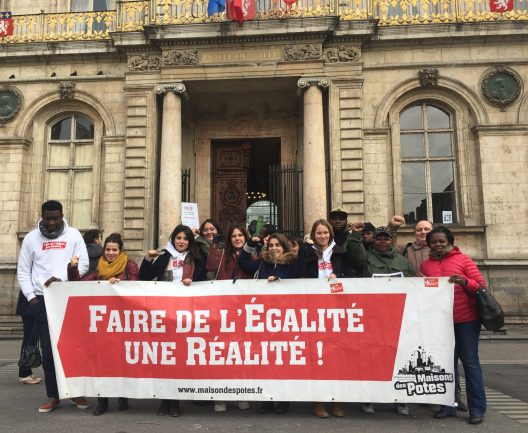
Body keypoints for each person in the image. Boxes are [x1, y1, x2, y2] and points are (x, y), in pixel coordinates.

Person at [17, 200, 90, 413]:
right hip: (41, 300)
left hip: (67, 298)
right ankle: (54, 395)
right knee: (48, 352)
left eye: (55, 218)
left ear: (62, 215)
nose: (51, 222)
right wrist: (31, 298)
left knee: (72, 349)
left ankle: (75, 393)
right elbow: (23, 271)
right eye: (47, 218)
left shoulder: (74, 235)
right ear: (42, 215)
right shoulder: (31, 238)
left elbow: (83, 264)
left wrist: (61, 278)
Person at [294, 219, 363, 418]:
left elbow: (355, 271)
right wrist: (305, 254)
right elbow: (299, 274)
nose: (322, 236)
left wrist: (339, 278)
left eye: (325, 233)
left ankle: (337, 401)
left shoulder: (341, 252)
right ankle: (318, 402)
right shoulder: (308, 253)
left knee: (338, 357)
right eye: (318, 233)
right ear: (313, 235)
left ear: (330, 234)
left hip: (337, 310)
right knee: (318, 357)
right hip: (314, 311)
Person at [420, 226, 487, 425]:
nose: (438, 245)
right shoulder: (425, 266)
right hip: (441, 322)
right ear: (429, 244)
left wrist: (465, 282)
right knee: (445, 365)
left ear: (450, 242)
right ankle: (448, 406)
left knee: (470, 364)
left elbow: (481, 285)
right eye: (434, 242)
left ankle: (477, 408)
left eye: (442, 241)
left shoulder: (463, 260)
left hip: (466, 320)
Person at [68, 232, 139, 416]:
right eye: (108, 249)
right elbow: (79, 283)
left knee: (123, 360)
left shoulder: (129, 265)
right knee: (103, 362)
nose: (111, 253)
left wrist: (118, 284)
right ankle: (103, 401)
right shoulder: (99, 268)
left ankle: (123, 397)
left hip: (124, 321)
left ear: (120, 250)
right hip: (103, 323)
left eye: (114, 249)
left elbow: (135, 284)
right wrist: (72, 267)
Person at [139, 224, 207, 417]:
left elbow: (203, 279)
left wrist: (192, 281)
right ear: (173, 239)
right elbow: (145, 276)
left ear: (190, 241)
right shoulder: (164, 257)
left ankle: (175, 401)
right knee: (164, 358)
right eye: (178, 238)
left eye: (185, 238)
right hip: (164, 313)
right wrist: (148, 259)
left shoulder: (197, 258)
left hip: (187, 315)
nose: (182, 242)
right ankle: (165, 400)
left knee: (179, 359)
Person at [349, 225, 411, 415]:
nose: (382, 241)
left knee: (398, 359)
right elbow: (353, 255)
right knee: (371, 360)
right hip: (371, 318)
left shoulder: (403, 261)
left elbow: (414, 284)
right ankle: (369, 398)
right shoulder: (365, 258)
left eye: (386, 238)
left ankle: (400, 400)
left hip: (396, 318)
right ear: (373, 241)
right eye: (379, 238)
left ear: (391, 240)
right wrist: (355, 235)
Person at [239, 232, 296, 414]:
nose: (274, 248)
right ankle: (266, 401)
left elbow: (302, 278)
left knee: (283, 362)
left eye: (277, 245)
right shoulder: (263, 262)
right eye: (271, 245)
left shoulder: (293, 264)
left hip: (286, 319)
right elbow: (243, 262)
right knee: (265, 361)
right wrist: (249, 244)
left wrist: (281, 281)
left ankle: (283, 400)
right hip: (263, 319)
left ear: (284, 246)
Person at [206, 224, 251, 412]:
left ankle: (240, 394)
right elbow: (210, 271)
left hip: (244, 310)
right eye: (234, 236)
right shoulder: (222, 254)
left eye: (241, 235)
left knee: (241, 354)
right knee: (222, 353)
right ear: (229, 239)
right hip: (223, 308)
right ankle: (220, 396)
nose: (238, 238)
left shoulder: (252, 255)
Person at [16, 290, 42, 385]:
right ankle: (23, 373)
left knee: (31, 340)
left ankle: (27, 371)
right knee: (29, 340)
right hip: (30, 308)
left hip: (29, 308)